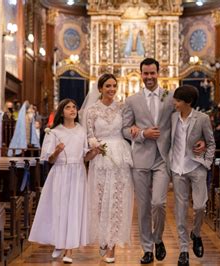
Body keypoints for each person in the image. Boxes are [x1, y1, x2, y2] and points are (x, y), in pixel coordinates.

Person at [122, 58, 206, 264]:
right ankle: (147, 248)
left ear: (158, 73)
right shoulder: (132, 100)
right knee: (143, 207)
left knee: (158, 203)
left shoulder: (171, 98)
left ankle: (158, 238)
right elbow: (124, 129)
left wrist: (201, 139)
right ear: (140, 74)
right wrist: (141, 133)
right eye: (145, 73)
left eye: (152, 73)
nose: (149, 77)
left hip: (163, 158)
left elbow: (188, 119)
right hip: (140, 158)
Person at [28, 99, 99, 263]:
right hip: (60, 173)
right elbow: (50, 160)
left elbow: (85, 156)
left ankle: (69, 250)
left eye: (74, 107)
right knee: (60, 209)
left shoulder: (82, 131)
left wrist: (94, 152)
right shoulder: (54, 132)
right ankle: (59, 243)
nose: (72, 110)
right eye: (68, 107)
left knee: (74, 209)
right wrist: (57, 151)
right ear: (62, 112)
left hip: (78, 173)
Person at [85, 74, 134, 263]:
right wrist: (94, 145)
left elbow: (128, 128)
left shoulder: (122, 108)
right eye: (108, 86)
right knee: (100, 200)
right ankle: (103, 239)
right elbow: (90, 134)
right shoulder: (91, 111)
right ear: (100, 88)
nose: (112, 89)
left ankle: (112, 246)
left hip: (120, 157)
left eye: (114, 86)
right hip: (100, 157)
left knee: (117, 201)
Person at [169, 85, 215, 266]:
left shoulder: (202, 118)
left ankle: (196, 233)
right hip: (177, 168)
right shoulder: (172, 118)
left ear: (188, 102)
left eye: (178, 100)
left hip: (196, 167)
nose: (175, 103)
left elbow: (211, 143)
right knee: (180, 211)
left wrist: (207, 162)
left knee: (200, 206)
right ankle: (183, 250)